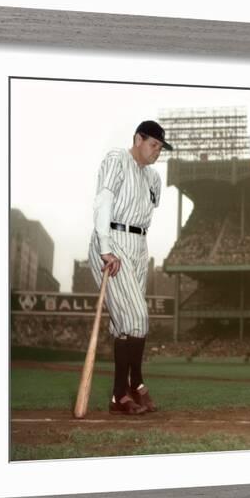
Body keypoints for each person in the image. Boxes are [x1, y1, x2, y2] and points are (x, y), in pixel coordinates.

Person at [88, 121, 173, 415]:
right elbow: (104, 201)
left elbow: (146, 208)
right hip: (114, 241)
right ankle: (134, 384)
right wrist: (105, 248)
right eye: (153, 145)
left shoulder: (153, 178)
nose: (157, 152)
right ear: (138, 139)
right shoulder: (117, 159)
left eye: (161, 148)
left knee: (126, 327)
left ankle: (119, 396)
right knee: (138, 318)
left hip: (139, 246)